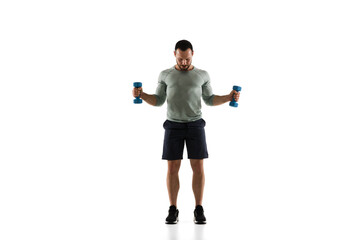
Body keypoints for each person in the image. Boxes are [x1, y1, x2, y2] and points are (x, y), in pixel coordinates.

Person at [132, 40, 240, 224]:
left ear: (193, 54)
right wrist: (141, 95)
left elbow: (209, 99)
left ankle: (198, 208)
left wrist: (229, 97)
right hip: (173, 125)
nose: (184, 62)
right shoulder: (165, 75)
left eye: (187, 59)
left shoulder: (202, 75)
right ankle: (173, 209)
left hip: (195, 125)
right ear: (174, 54)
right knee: (172, 168)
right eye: (181, 59)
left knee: (198, 167)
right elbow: (158, 100)